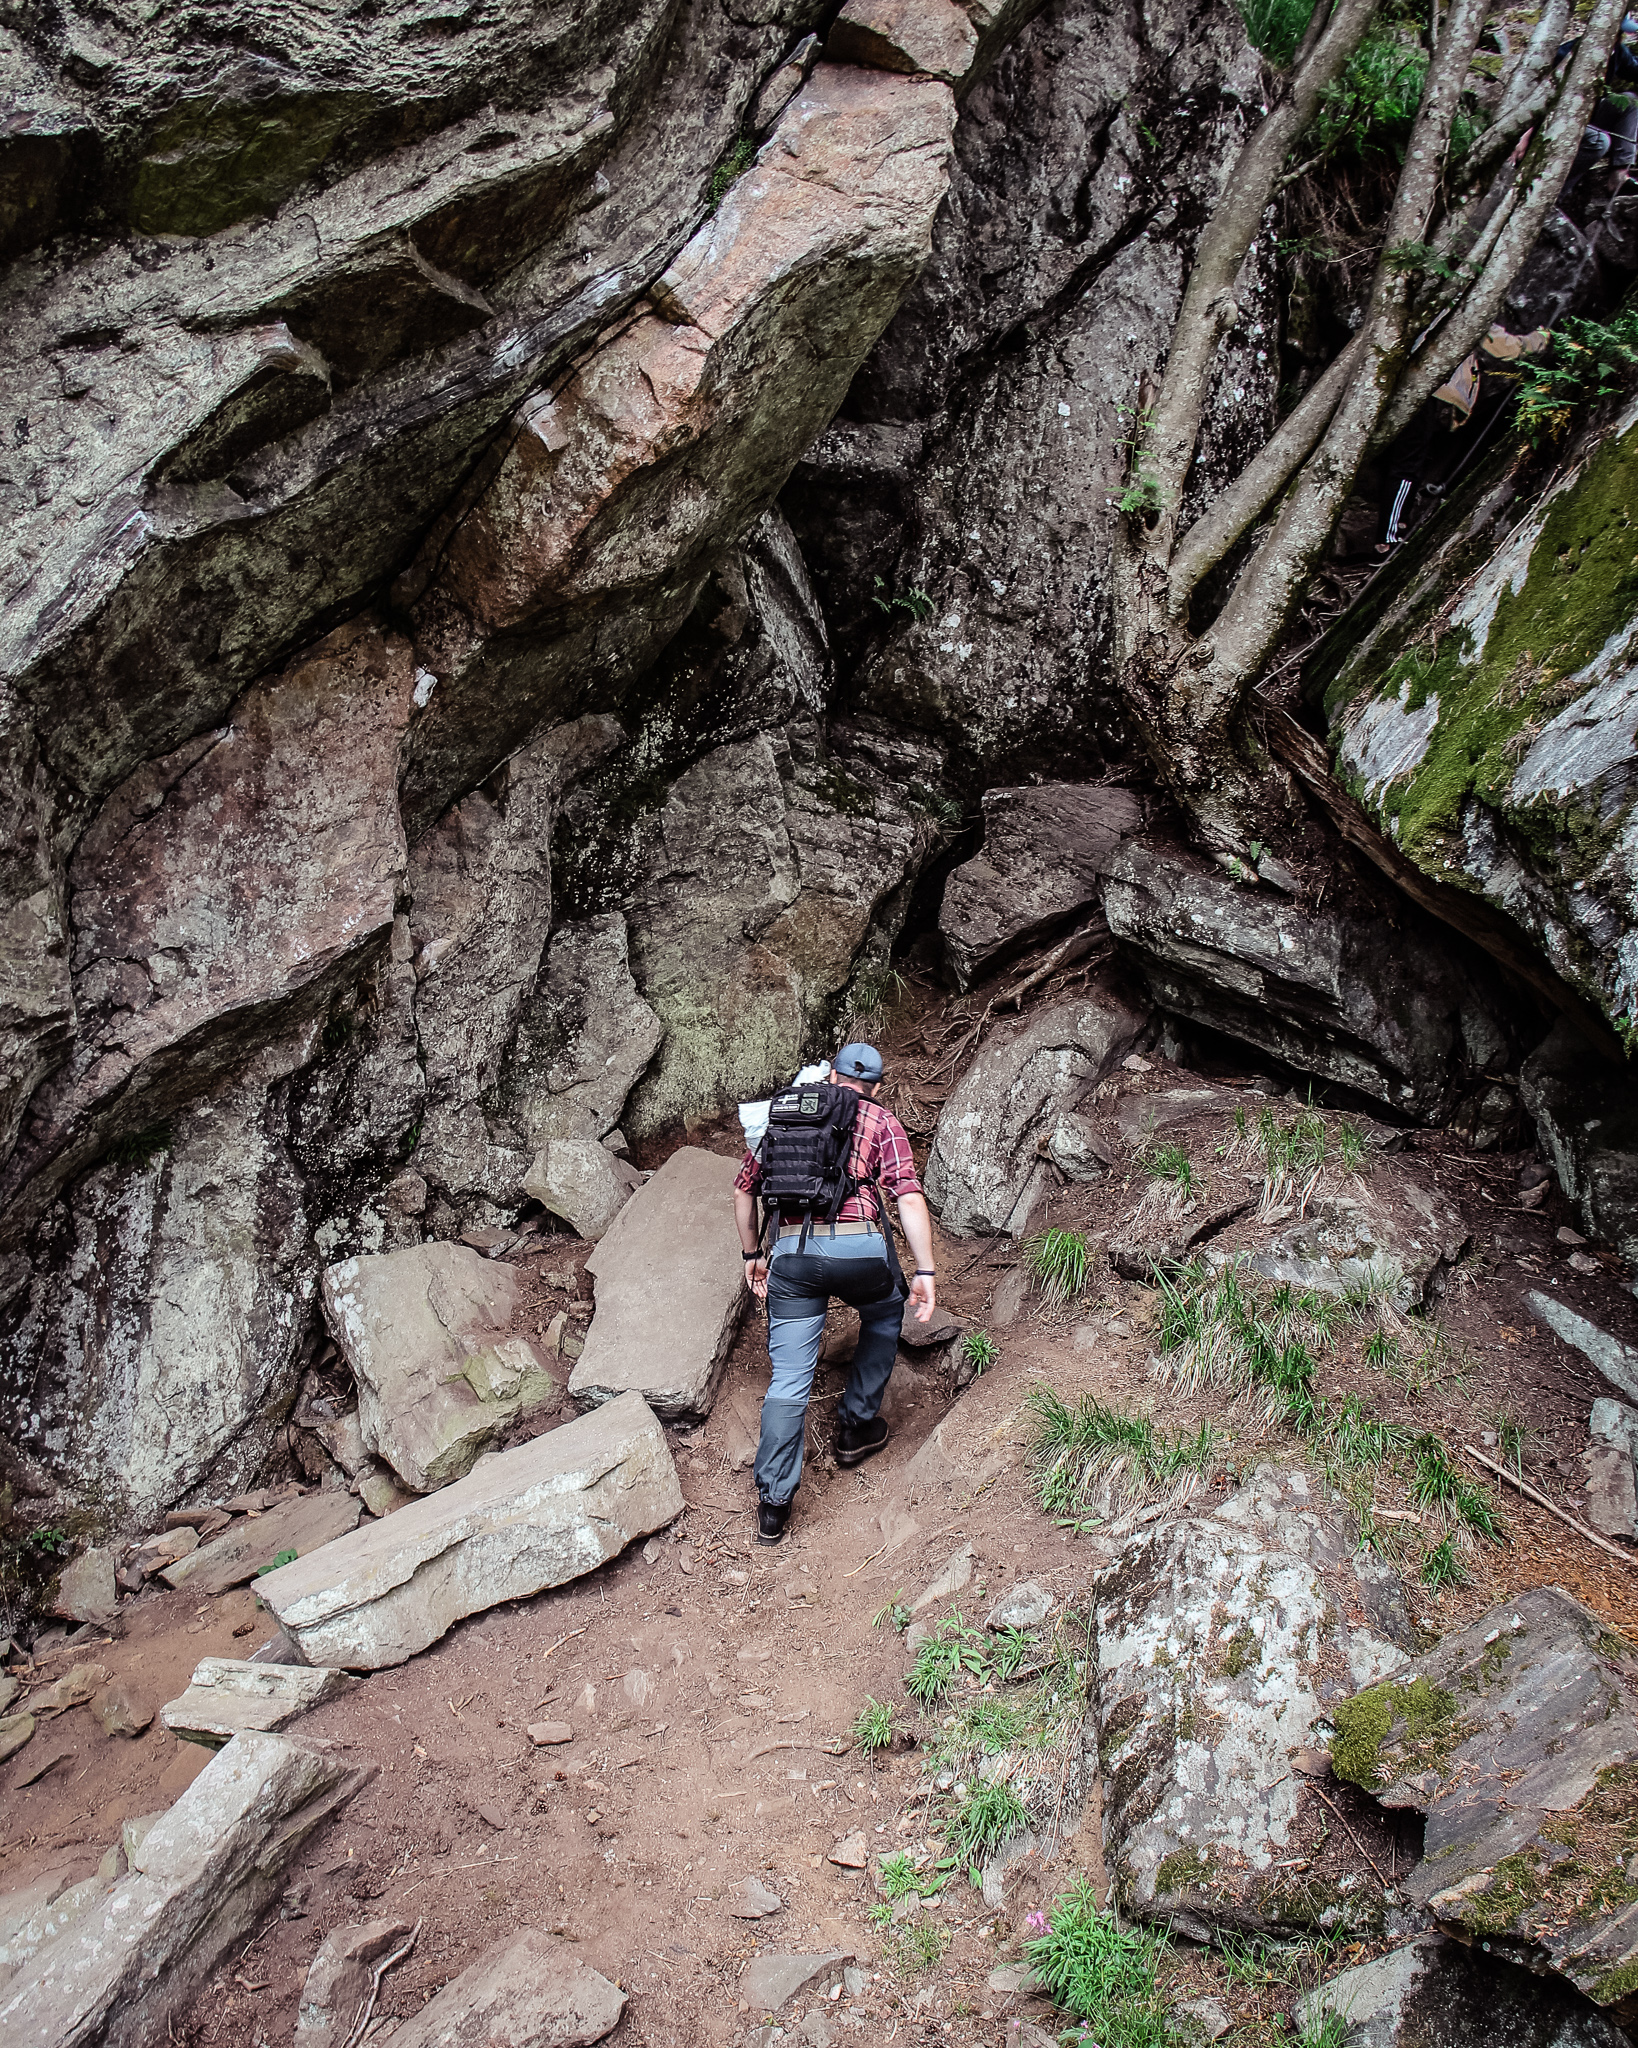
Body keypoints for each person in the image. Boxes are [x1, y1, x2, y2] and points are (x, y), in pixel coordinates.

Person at [733, 1041, 937, 1547]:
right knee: (885, 1312)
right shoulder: (881, 1120)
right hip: (860, 1251)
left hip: (793, 1257)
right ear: (875, 1086)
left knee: (790, 1377)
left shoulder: (787, 1113)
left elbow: (744, 1189)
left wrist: (752, 1254)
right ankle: (856, 1426)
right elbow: (907, 1195)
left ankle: (773, 1507)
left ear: (830, 1076)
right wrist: (925, 1270)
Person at [1561, 15, 1638, 200]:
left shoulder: (1618, 51)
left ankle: (1619, 174)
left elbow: (1634, 70)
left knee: (1630, 101)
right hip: (1564, 117)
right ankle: (1557, 194)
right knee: (1598, 142)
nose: (1619, 37)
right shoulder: (1571, 51)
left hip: (1593, 114)